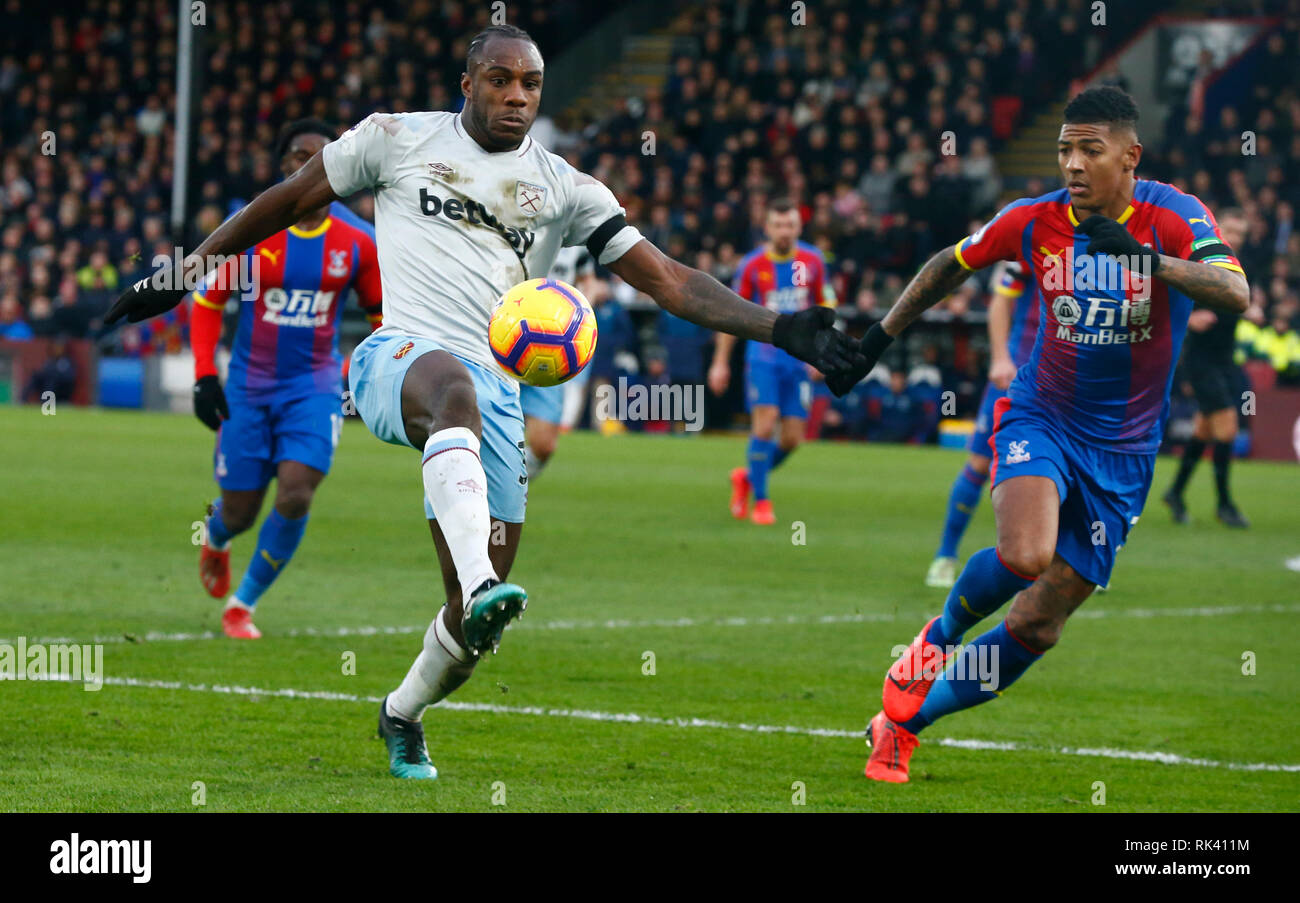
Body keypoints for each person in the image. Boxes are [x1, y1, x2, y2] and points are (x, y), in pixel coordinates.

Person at [106, 24, 863, 780]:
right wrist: (184, 272)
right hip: (397, 356)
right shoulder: (394, 139)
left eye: (530, 84)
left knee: (472, 634)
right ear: (467, 83)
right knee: (452, 394)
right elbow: (285, 199)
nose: (516, 96)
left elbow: (667, 279)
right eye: (500, 80)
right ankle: (480, 583)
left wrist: (782, 326)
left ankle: (403, 711)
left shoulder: (567, 187)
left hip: (498, 395)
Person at [827, 87, 1248, 783]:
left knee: (1036, 626)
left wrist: (1145, 261)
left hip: (1126, 452)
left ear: (1129, 156)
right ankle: (935, 639)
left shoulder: (1175, 215)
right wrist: (875, 340)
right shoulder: (1033, 220)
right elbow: (948, 264)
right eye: (1064, 149)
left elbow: (1235, 292)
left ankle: (903, 724)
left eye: (1090, 149)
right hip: (1042, 414)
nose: (1073, 164)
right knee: (1026, 553)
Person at [188, 118, 383, 639]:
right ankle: (218, 535)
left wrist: (361, 371)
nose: (309, 164)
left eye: (321, 156)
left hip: (313, 388)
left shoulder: (359, 243)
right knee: (240, 510)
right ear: (282, 165)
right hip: (248, 389)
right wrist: (206, 375)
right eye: (299, 155)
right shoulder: (252, 231)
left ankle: (242, 605)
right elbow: (207, 303)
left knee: (296, 494)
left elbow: (383, 319)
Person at [708, 197, 836, 525]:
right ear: (767, 228)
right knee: (764, 425)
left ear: (799, 227)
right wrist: (720, 361)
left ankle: (747, 478)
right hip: (763, 355)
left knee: (793, 438)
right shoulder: (751, 265)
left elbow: (826, 310)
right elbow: (731, 315)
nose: (784, 231)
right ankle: (762, 502)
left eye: (790, 225)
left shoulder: (813, 260)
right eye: (778, 225)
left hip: (800, 359)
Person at [926, 260, 1034, 587]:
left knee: (1076, 466)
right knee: (980, 460)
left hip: (1068, 376)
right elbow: (1001, 301)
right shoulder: (1033, 236)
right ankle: (945, 555)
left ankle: (1080, 562)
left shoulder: (1104, 248)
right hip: (1017, 369)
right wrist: (1001, 357)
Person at [1161, 208, 1249, 527]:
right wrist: (1189, 318)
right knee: (1226, 427)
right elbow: (1170, 293)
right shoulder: (1200, 260)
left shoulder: (1235, 266)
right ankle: (1225, 504)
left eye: (1241, 234)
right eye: (1232, 232)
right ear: (1219, 231)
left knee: (1203, 430)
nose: (1236, 239)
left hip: (1225, 359)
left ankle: (1175, 492)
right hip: (1201, 361)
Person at [518, 245, 597, 479]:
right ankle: (493, 489)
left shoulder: (577, 246)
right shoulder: (514, 226)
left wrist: (582, 312)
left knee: (544, 446)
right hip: (510, 338)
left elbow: (588, 282)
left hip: (552, 349)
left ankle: (515, 482)